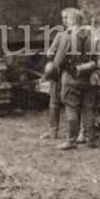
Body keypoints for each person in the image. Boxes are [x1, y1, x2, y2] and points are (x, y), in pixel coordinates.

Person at [52, 8, 100, 151]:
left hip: (71, 79)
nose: (66, 22)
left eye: (68, 20)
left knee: (71, 109)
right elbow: (96, 60)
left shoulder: (68, 37)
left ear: (72, 21)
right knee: (88, 109)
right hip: (88, 80)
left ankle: (71, 141)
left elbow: (58, 61)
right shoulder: (89, 37)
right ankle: (91, 140)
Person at [42, 8, 71, 139]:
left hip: (60, 73)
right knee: (71, 104)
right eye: (63, 18)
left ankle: (54, 131)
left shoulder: (61, 35)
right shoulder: (84, 34)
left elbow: (50, 53)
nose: (64, 20)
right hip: (73, 73)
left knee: (54, 102)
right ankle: (70, 132)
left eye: (66, 18)